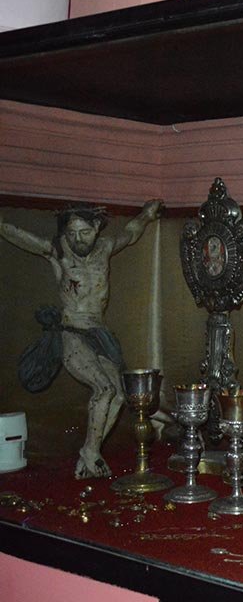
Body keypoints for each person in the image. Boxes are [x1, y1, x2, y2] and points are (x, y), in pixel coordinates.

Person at [0, 200, 164, 479]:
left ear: (97, 227)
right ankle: (90, 454)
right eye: (72, 233)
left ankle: (89, 453)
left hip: (99, 333)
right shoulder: (59, 251)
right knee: (104, 389)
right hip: (72, 332)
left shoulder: (105, 248)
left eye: (84, 232)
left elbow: (131, 233)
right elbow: (23, 238)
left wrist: (147, 215)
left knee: (119, 394)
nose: (78, 239)